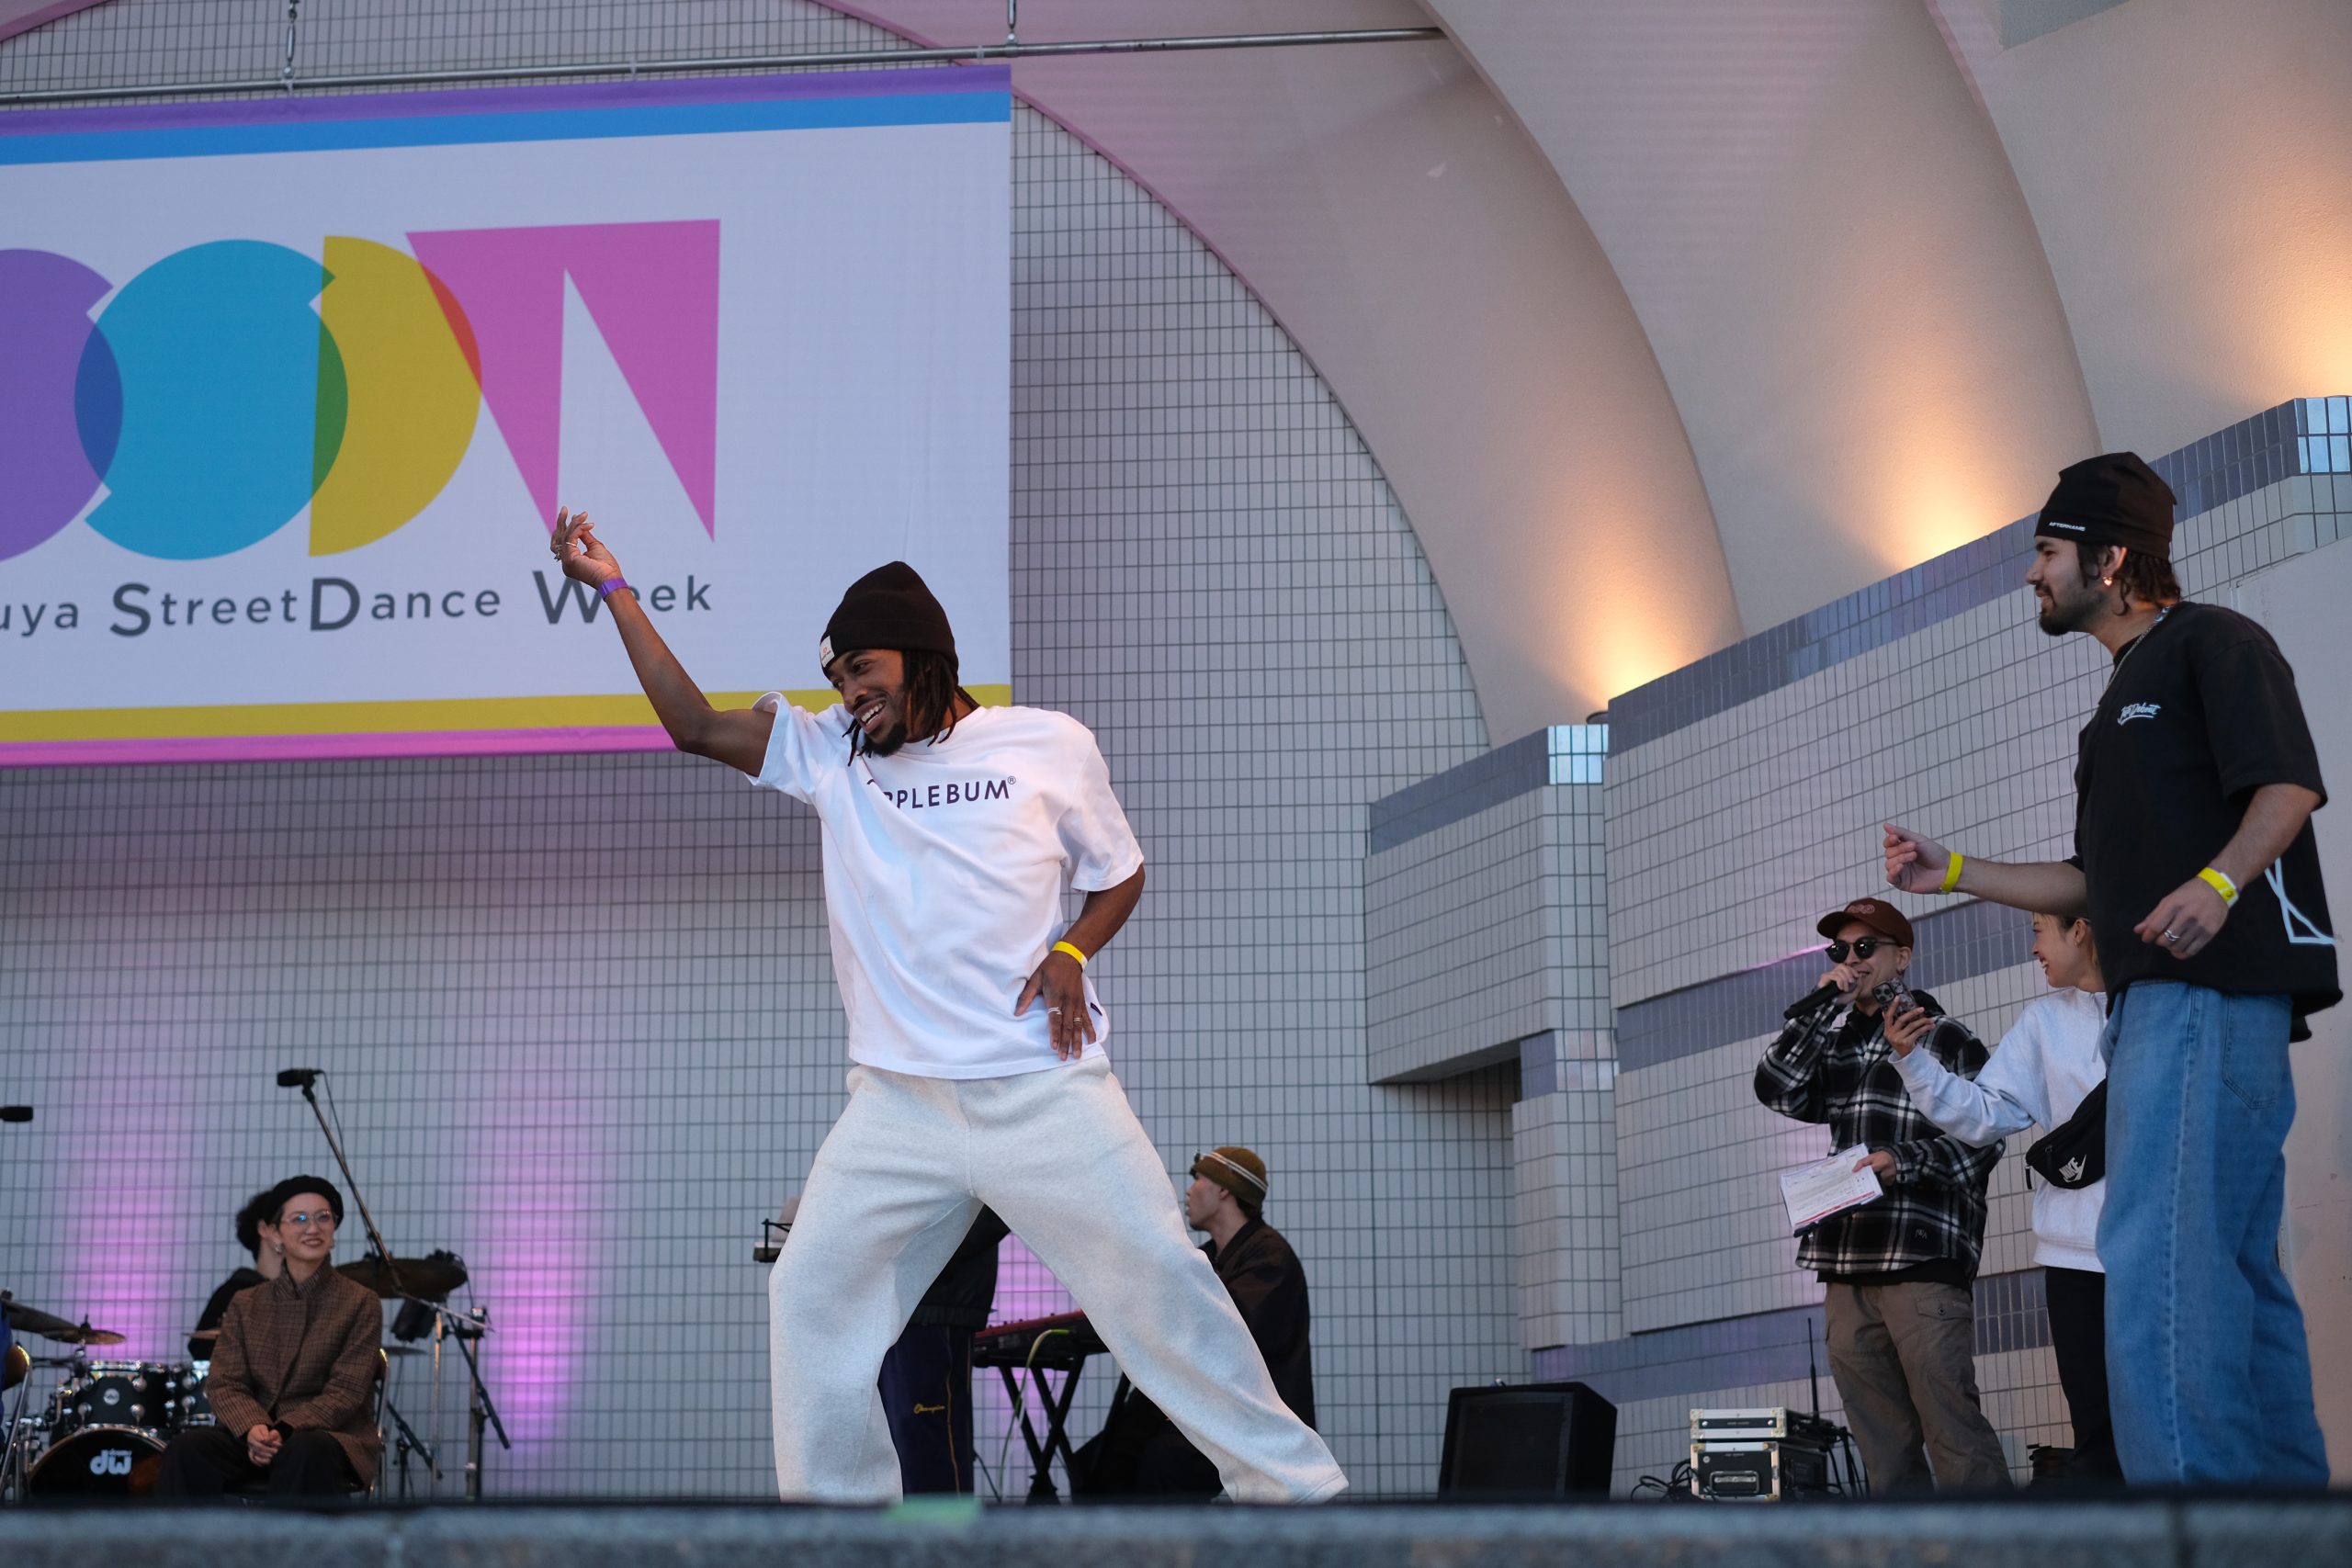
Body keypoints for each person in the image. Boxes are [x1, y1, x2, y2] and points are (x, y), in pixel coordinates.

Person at [547, 510, 1345, 1505]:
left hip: (1044, 1092)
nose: (850, 692)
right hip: (899, 1106)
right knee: (810, 1294)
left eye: (862, 669)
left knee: (1162, 1290)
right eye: (837, 678)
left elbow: (1120, 872)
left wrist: (1071, 948)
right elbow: (694, 725)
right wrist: (615, 590)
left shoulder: (1047, 743)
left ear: (921, 655)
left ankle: (1303, 1500)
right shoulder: (832, 754)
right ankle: (844, 1525)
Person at [1885, 450, 2337, 1487]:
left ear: (2112, 558)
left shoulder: (2214, 642)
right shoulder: (2114, 706)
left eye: (2046, 550)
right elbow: (2090, 883)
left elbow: (2287, 786)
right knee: (2232, 1269)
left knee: (2156, 1258)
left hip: (2207, 999)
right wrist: (1949, 869)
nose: (2030, 573)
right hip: (2161, 1007)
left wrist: (2217, 884)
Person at [1755, 897, 2010, 1491]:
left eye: (1866, 947)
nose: (1851, 959)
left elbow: (1987, 1139)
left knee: (1954, 1432)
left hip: (1920, 1260)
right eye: (1840, 949)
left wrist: (1905, 1161)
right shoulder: (1834, 1041)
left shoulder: (1944, 1036)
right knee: (1883, 1451)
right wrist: (1822, 1007)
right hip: (1846, 1264)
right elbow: (1776, 1088)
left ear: (1903, 957)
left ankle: (1997, 1539)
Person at [1887, 913, 2118, 1481]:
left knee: (2175, 1418)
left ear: (2080, 929)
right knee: (2098, 1432)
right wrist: (1912, 1061)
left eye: (2039, 928)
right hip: (2074, 1257)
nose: (2033, 947)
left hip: (2163, 1249)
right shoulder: (2043, 1020)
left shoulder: (2161, 1006)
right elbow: (1985, 1114)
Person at [1074, 1147, 1317, 1497]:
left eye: (1199, 1179)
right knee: (1101, 1458)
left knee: (1164, 1462)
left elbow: (1227, 1339)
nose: (1188, 1191)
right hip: (1207, 1410)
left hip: (1248, 1419)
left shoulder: (1270, 1258)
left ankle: (1162, 1536)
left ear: (1225, 1189)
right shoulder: (1207, 1258)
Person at [154, 1177, 382, 1500]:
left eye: (323, 1217)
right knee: (187, 1449)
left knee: (304, 1450)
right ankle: (188, 1537)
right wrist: (253, 1428)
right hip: (256, 1433)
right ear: (275, 1233)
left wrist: (284, 1429)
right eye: (299, 1218)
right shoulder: (246, 1302)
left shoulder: (360, 1302)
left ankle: (288, 1537)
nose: (313, 1228)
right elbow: (225, 1382)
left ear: (334, 1229)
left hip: (327, 1436)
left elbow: (346, 1392)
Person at [187, 1188, 280, 1360]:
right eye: (297, 1219)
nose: (309, 1229)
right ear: (264, 1229)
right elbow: (201, 1349)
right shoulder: (234, 1292)